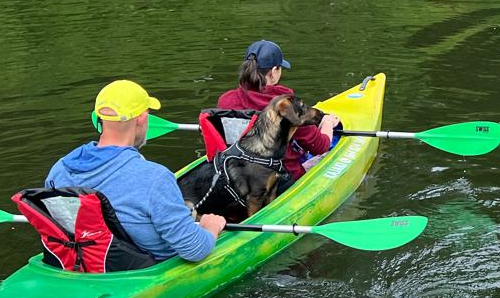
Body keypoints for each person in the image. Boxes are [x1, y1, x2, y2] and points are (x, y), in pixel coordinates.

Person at [47, 80, 226, 262]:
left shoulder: (59, 170)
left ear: (98, 118)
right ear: (142, 118)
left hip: (83, 261)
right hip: (142, 270)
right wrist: (211, 227)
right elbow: (194, 250)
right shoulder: (155, 178)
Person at [216, 39, 339, 174]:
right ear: (274, 71)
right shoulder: (288, 106)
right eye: (280, 68)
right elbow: (319, 146)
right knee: (325, 155)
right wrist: (327, 122)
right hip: (281, 178)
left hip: (236, 174)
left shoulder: (225, 100)